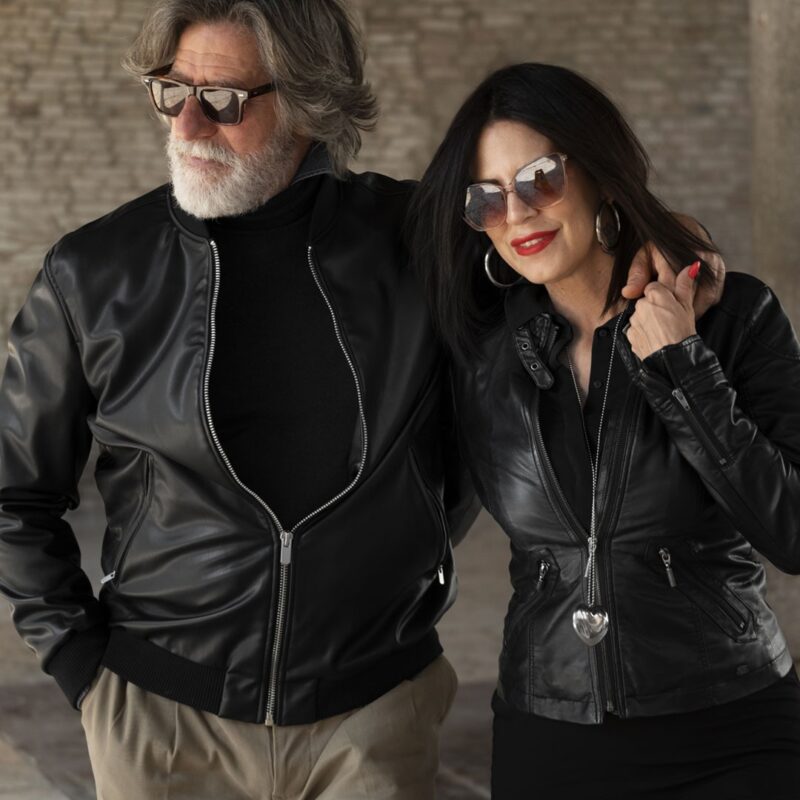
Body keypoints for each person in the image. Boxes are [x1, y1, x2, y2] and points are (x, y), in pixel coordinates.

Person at [0, 2, 718, 797]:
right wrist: (83, 667)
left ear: (309, 103)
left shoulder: (421, 242)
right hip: (161, 723)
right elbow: (14, 494)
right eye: (172, 92)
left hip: (373, 716)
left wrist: (666, 241)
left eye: (224, 101)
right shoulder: (92, 274)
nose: (187, 125)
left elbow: (566, 257)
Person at [410, 62, 800, 800]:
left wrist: (682, 368)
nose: (516, 213)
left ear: (601, 172)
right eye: (487, 197)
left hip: (731, 726)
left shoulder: (734, 319)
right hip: (547, 730)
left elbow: (792, 532)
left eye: (540, 179)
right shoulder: (481, 353)